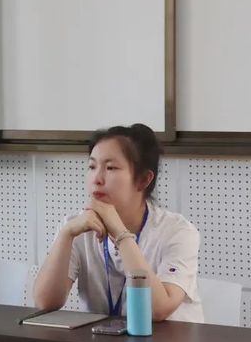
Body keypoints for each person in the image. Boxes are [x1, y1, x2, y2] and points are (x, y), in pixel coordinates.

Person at [33, 124, 203, 322]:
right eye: (92, 167)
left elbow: (157, 310)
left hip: (169, 340)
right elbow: (45, 302)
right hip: (103, 340)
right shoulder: (76, 226)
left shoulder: (178, 231)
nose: (96, 179)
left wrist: (120, 234)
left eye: (111, 168)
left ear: (143, 179)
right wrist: (66, 234)